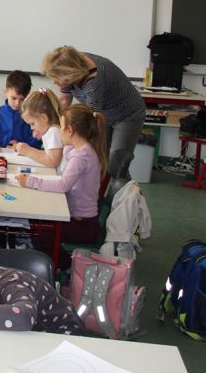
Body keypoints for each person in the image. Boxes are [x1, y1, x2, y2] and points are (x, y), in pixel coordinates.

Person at [15, 104, 105, 269]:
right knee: (37, 223)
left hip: (84, 225)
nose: (58, 131)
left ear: (70, 130)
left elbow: (63, 185)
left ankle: (68, 265)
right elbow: (61, 160)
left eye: (61, 127)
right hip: (79, 219)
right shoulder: (79, 149)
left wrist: (31, 182)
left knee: (40, 232)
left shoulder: (82, 156)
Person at [43, 46, 145, 179]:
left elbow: (87, 121)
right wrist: (53, 125)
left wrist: (70, 139)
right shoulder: (71, 63)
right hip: (103, 113)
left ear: (70, 75)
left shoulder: (93, 81)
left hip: (127, 115)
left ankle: (127, 192)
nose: (54, 81)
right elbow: (64, 100)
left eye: (57, 78)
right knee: (99, 159)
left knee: (117, 164)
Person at [0, 70, 43, 152]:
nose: (17, 103)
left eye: (22, 99)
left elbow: (37, 142)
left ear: (28, 95)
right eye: (14, 98)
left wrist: (22, 147)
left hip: (24, 156)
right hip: (0, 154)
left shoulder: (32, 116)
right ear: (5, 91)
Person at [14, 88, 64, 169]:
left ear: (44, 118)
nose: (32, 128)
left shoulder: (53, 131)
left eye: (32, 124)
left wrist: (29, 151)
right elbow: (48, 154)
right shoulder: (50, 131)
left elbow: (53, 161)